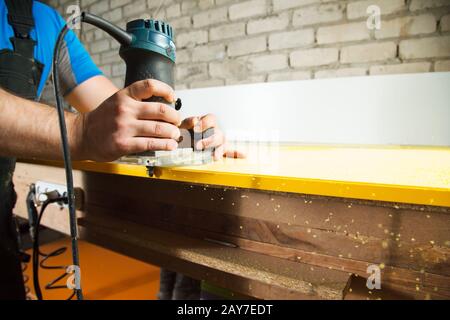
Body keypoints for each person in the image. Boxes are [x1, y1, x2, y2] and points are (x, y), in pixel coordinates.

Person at [0, 0, 233, 300]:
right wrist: (79, 131)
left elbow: (120, 116)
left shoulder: (42, 21)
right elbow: (90, 128)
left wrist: (187, 137)